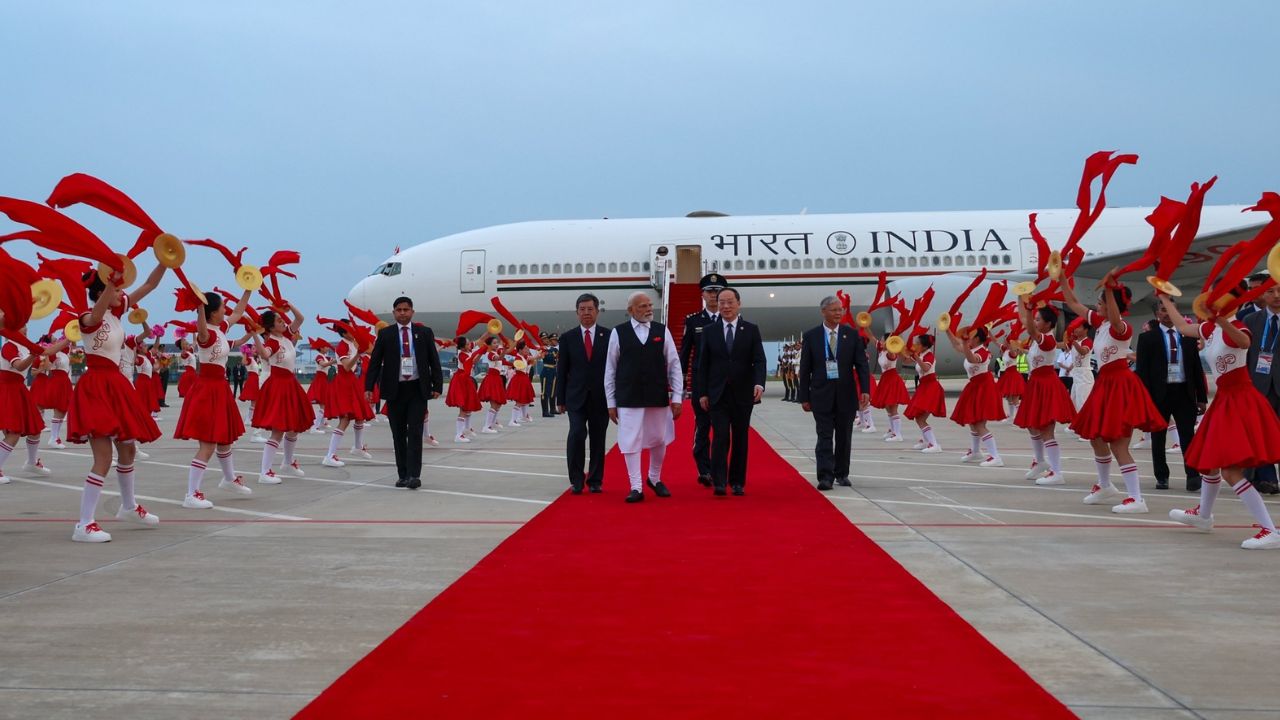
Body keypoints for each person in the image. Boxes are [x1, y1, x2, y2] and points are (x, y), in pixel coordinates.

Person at [1158, 290, 1280, 548]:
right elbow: (1182, 326)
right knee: (1210, 463)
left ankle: (1270, 531)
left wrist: (1222, 319)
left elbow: (1245, 343)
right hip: (1225, 400)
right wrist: (1167, 299)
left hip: (1241, 400)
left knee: (1230, 470)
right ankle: (1203, 516)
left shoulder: (1236, 326)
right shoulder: (1209, 328)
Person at [69, 265, 167, 543]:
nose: (123, 293)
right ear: (103, 291)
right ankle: (84, 524)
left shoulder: (117, 312)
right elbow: (96, 313)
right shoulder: (88, 318)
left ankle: (128, 506)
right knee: (103, 458)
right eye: (117, 289)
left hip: (117, 385)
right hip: (96, 387)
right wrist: (111, 283)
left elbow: (149, 285)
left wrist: (163, 260)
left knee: (128, 450)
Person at [1062, 272, 1166, 513]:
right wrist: (1062, 280)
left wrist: (1109, 289)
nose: (1097, 306)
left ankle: (1137, 498)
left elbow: (1115, 313)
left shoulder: (1122, 328)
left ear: (1111, 305)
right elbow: (1072, 304)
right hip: (1105, 384)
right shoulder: (1101, 324)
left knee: (1119, 444)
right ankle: (1105, 485)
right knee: (1096, 438)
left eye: (1101, 302)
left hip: (1120, 385)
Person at [173, 290, 255, 507]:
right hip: (207, 389)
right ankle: (191, 494)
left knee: (225, 439)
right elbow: (201, 328)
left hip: (221, 388)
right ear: (212, 312)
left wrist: (248, 288)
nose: (225, 310)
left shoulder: (221, 329)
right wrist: (200, 306)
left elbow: (238, 311)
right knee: (208, 443)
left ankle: (229, 479)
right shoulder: (205, 334)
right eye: (221, 308)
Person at [605, 291, 683, 503]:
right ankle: (636, 486)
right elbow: (610, 369)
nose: (649, 309)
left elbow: (674, 365)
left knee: (659, 438)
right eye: (642, 306)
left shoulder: (661, 331)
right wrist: (610, 402)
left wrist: (677, 396)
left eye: (650, 305)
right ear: (631, 310)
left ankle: (655, 478)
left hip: (656, 394)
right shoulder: (618, 333)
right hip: (628, 396)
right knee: (631, 440)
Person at [365, 296, 443, 490]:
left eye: (406, 309)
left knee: (415, 432)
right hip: (395, 390)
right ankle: (403, 474)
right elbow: (374, 362)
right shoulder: (386, 334)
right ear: (394, 313)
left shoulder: (424, 333)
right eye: (399, 310)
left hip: (417, 389)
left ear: (412, 312)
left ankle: (414, 475)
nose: (402, 313)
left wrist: (437, 386)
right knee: (398, 434)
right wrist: (368, 387)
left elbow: (434, 360)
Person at [694, 287, 766, 496]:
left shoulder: (751, 330)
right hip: (717, 394)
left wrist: (759, 384)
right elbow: (703, 364)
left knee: (741, 438)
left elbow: (759, 360)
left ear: (738, 304)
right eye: (722, 302)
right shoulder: (710, 330)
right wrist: (703, 393)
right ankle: (719, 480)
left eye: (729, 302)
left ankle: (737, 482)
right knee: (720, 437)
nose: (725, 306)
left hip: (743, 394)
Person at [797, 296, 871, 490]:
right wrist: (803, 396)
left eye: (841, 310)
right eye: (834, 310)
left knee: (844, 436)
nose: (839, 313)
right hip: (821, 395)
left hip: (846, 395)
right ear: (823, 312)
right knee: (824, 437)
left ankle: (842, 473)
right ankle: (825, 476)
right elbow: (805, 368)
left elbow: (862, 365)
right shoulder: (812, 336)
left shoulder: (851, 335)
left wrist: (865, 390)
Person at [1134, 299, 1206, 492]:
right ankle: (1162, 476)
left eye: (1171, 310)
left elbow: (1196, 368)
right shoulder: (1147, 338)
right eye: (1163, 310)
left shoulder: (1188, 336)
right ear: (1157, 313)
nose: (1167, 314)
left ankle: (1192, 475)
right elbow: (1142, 371)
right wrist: (1145, 398)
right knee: (1158, 438)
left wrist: (1201, 397)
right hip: (1159, 394)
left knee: (1187, 436)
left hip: (1184, 392)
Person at [1013, 302, 1077, 485]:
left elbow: (1030, 328)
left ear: (1048, 324)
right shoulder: (1037, 340)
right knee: (1032, 425)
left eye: (1038, 319)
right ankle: (1041, 461)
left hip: (1046, 384)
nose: (1034, 321)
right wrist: (1021, 297)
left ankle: (1057, 472)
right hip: (1036, 383)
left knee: (1046, 429)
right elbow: (1025, 321)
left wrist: (1029, 307)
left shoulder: (1046, 339)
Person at [251, 306, 314, 483]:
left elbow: (300, 318)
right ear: (270, 328)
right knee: (278, 430)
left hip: (290, 384)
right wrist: (255, 334)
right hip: (278, 385)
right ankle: (264, 472)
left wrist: (289, 305)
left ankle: (287, 463)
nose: (283, 322)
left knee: (293, 428)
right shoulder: (272, 341)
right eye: (279, 321)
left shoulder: (286, 335)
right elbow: (264, 355)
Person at [556, 293, 611, 494]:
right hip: (575, 398)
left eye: (590, 309)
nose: (586, 313)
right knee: (577, 434)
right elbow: (562, 370)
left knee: (598, 439)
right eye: (582, 309)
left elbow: (614, 368)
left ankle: (595, 480)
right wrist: (560, 399)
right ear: (577, 312)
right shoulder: (568, 338)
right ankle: (577, 479)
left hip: (601, 398)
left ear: (597, 311)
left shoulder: (609, 335)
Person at [0, 328, 67, 482]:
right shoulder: (9, 346)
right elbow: (20, 366)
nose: (26, 327)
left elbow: (49, 350)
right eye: (22, 324)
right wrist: (33, 353)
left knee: (35, 428)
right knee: (13, 432)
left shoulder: (26, 345)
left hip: (18, 388)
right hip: (7, 388)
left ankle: (31, 462)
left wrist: (69, 338)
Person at [680, 272, 725, 486]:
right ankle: (704, 469)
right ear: (703, 294)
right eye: (710, 291)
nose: (714, 295)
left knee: (723, 428)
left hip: (725, 383)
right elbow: (686, 352)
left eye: (717, 291)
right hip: (701, 383)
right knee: (703, 426)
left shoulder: (731, 319)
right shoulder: (694, 321)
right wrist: (682, 379)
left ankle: (719, 469)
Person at [1244, 280, 1280, 494]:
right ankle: (1268, 478)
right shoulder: (1251, 320)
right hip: (1259, 386)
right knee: (1262, 433)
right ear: (1262, 295)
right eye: (1270, 291)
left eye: (1279, 291)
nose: (1276, 295)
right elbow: (1245, 355)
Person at [322, 326, 377, 467]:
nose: (354, 332)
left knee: (360, 417)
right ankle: (330, 455)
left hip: (352, 381)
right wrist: (358, 354)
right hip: (343, 382)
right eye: (350, 330)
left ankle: (358, 447)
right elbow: (346, 367)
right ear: (344, 333)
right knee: (345, 419)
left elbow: (370, 351)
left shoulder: (352, 343)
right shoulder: (342, 346)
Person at [903, 333, 946, 453]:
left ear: (924, 346)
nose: (915, 345)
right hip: (924, 386)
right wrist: (900, 349)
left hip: (931, 387)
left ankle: (934, 444)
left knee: (921, 418)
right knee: (919, 417)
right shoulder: (921, 354)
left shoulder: (929, 355)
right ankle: (927, 441)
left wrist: (916, 357)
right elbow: (906, 361)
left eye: (917, 343)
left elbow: (926, 368)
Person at [476, 335, 510, 433]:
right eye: (494, 343)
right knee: (494, 404)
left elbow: (502, 358)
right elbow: (499, 358)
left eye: (497, 343)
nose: (496, 344)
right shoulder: (490, 354)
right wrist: (504, 350)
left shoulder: (496, 352)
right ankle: (486, 427)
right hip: (492, 379)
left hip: (497, 379)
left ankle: (491, 424)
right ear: (489, 345)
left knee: (498, 404)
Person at [538, 333, 559, 417]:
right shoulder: (542, 349)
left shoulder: (554, 349)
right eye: (544, 339)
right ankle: (545, 411)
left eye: (547, 339)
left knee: (553, 391)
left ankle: (553, 409)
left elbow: (557, 357)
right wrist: (541, 352)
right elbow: (539, 356)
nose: (546, 340)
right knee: (545, 392)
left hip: (554, 370)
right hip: (546, 371)